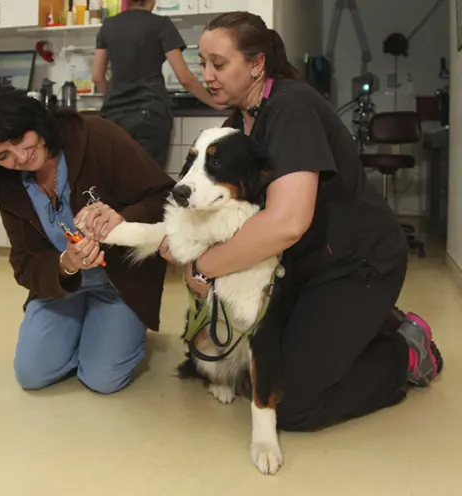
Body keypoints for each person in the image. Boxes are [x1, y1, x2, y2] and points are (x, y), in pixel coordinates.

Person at [160, 12, 444, 431]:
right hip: (304, 266)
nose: (207, 75)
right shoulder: (237, 124)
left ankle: (405, 351)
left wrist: (202, 267)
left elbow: (287, 223)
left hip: (358, 262)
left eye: (218, 64)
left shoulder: (292, 107)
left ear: (256, 64)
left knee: (290, 405)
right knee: (265, 365)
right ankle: (373, 326)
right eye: (202, 63)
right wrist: (179, 236)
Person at [0, 85, 175, 394]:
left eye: (18, 139)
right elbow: (25, 264)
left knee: (102, 380)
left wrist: (123, 218)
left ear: (33, 120)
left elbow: (165, 196)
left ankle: (117, 326)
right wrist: (65, 264)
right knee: (32, 375)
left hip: (120, 282)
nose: (20, 156)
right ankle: (90, 326)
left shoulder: (96, 136)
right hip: (64, 289)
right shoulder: (6, 185)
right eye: (2, 155)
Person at [92, 0, 222, 168]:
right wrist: (215, 103)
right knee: (149, 180)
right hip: (150, 114)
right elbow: (185, 78)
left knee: (118, 180)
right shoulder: (160, 24)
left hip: (114, 117)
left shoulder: (108, 26)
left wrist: (113, 98)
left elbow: (97, 76)